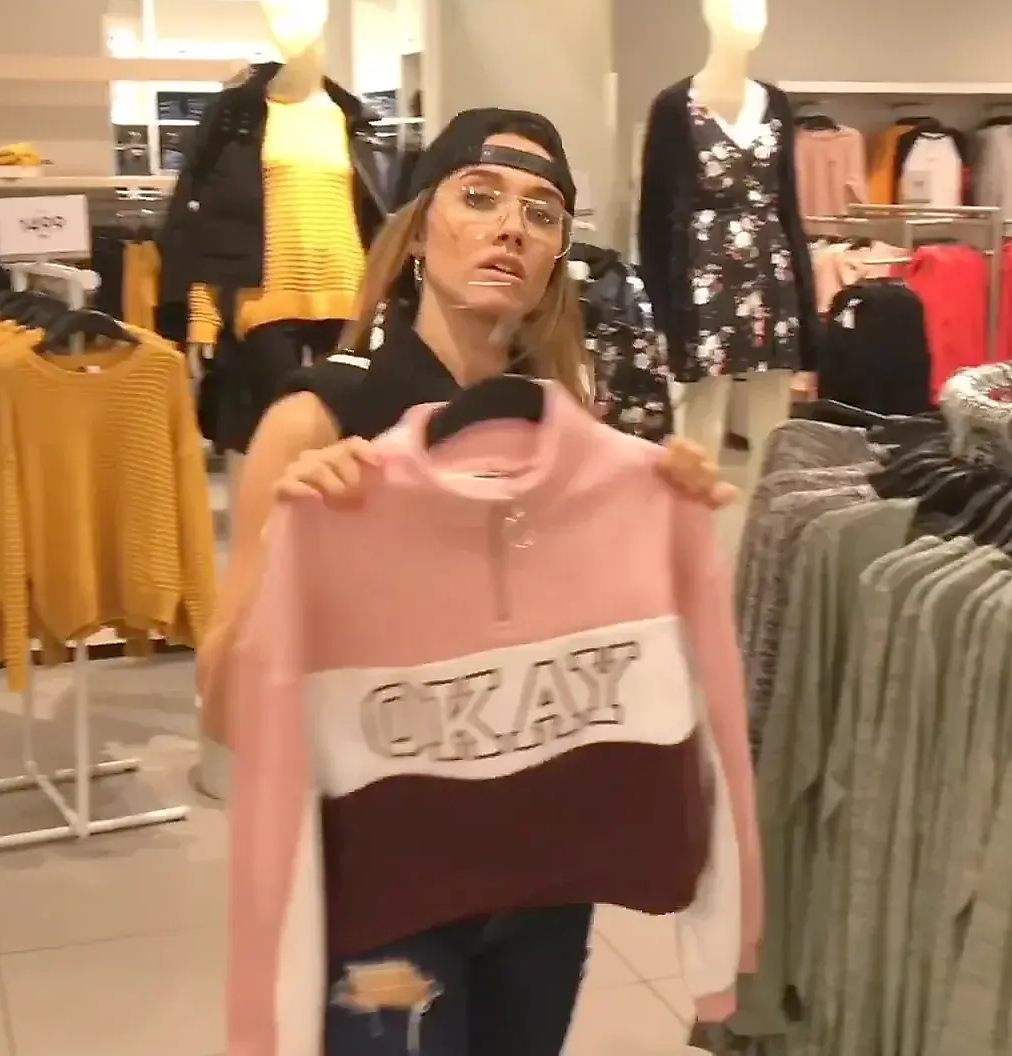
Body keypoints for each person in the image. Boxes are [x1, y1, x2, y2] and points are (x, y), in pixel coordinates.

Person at [197, 109, 734, 710]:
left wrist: (669, 544)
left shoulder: (562, 435)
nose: (512, 229)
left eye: (542, 215)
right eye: (479, 198)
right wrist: (287, 551)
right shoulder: (316, 424)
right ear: (418, 232)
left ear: (556, 258)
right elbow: (222, 707)